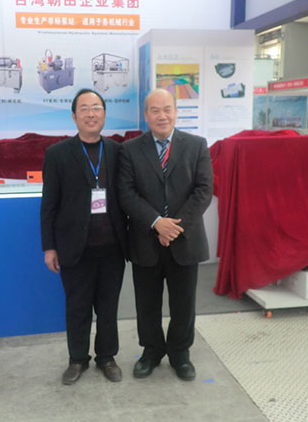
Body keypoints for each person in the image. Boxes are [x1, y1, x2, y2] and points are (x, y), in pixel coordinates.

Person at [118, 88, 213, 381]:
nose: (162, 116)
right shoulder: (130, 150)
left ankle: (180, 354)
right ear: (146, 115)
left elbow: (203, 190)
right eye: (155, 110)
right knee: (147, 302)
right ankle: (151, 352)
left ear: (176, 112)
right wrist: (157, 222)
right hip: (146, 239)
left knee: (184, 303)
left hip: (185, 239)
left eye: (167, 109)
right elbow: (126, 193)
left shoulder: (196, 145)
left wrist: (173, 227)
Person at [40, 89, 127, 385]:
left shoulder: (117, 151)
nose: (91, 114)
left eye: (97, 108)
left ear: (104, 113)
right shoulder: (57, 154)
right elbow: (49, 204)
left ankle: (107, 357)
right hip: (74, 248)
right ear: (74, 116)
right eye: (85, 109)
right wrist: (49, 247)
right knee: (77, 308)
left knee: (108, 308)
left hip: (113, 247)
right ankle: (77, 359)